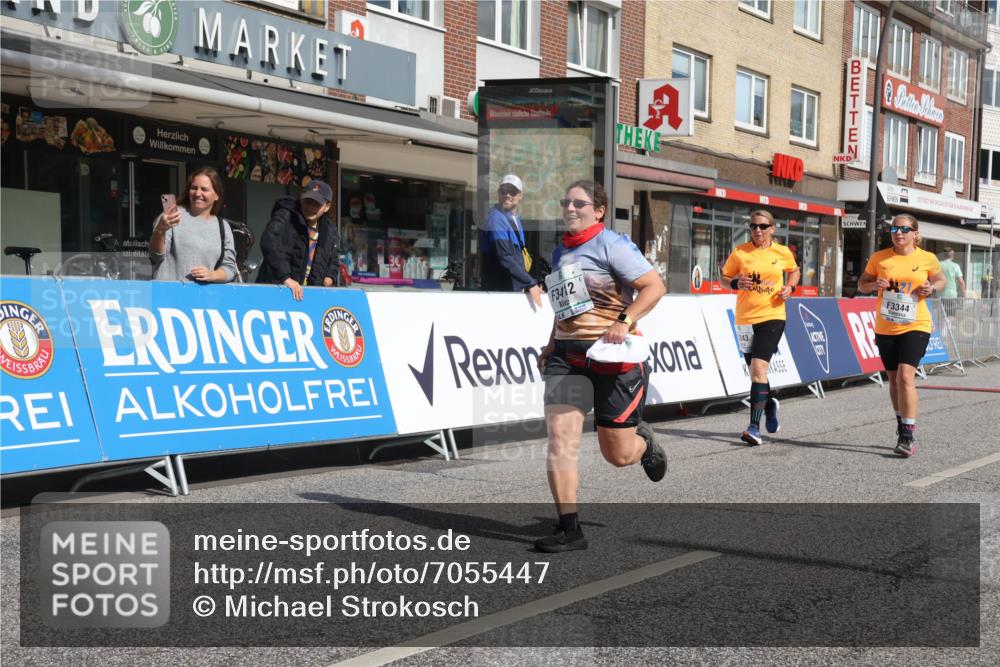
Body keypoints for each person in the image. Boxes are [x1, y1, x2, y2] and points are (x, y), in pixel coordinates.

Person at [534, 180, 667, 553]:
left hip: (613, 358)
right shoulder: (561, 250)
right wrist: (551, 343)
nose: (570, 208)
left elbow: (654, 286)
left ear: (599, 210)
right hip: (568, 359)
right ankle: (569, 529)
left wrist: (624, 319)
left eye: (579, 203)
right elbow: (567, 306)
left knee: (618, 455)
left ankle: (646, 444)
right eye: (566, 202)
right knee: (560, 442)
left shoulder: (612, 244)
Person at [857, 214, 946, 458]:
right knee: (894, 380)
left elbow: (940, 280)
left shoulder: (927, 258)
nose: (898, 233)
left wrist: (932, 288)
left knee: (906, 377)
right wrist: (872, 286)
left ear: (915, 234)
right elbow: (862, 284)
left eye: (905, 229)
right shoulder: (880, 258)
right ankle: (901, 423)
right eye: (895, 228)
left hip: (916, 324)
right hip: (886, 326)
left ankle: (907, 435)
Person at [721, 210, 800, 447]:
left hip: (773, 315)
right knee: (756, 373)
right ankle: (770, 403)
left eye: (763, 226)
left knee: (758, 369)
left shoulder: (782, 252)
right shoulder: (740, 252)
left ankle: (754, 428)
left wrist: (791, 288)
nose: (757, 230)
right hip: (745, 318)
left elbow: (794, 271)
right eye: (753, 226)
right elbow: (723, 278)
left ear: (772, 229)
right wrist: (734, 283)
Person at [150, 167, 237, 283]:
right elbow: (156, 256)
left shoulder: (223, 226)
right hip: (169, 296)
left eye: (204, 189)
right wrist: (160, 230)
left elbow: (230, 268)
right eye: (194, 188)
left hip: (203, 298)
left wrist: (213, 275)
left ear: (217, 195)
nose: (198, 193)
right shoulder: (172, 215)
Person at [256, 180, 340, 301]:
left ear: (327, 207)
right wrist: (286, 278)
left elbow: (334, 257)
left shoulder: (330, 229)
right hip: (277, 291)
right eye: (308, 201)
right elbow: (269, 241)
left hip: (309, 297)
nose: (310, 206)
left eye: (316, 203)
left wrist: (330, 277)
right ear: (301, 198)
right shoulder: (286, 214)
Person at [479, 174, 543, 306]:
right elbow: (505, 256)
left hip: (512, 290)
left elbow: (518, 257)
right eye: (503, 190)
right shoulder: (496, 218)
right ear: (498, 193)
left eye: (512, 191)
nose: (507, 195)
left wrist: (526, 281)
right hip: (499, 293)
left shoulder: (515, 219)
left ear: (520, 195)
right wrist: (530, 283)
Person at [938, 247, 965, 317]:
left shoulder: (938, 265)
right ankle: (949, 328)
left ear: (944, 255)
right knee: (951, 316)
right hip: (952, 295)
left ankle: (942, 328)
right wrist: (963, 294)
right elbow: (961, 281)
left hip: (940, 295)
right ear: (953, 255)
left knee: (941, 317)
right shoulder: (955, 266)